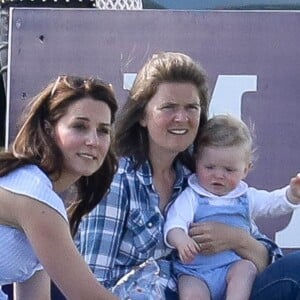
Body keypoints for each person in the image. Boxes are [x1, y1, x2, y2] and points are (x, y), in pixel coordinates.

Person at [76, 51, 290, 299]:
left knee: (294, 270)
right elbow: (91, 282)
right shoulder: (117, 179)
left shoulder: (200, 175)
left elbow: (269, 260)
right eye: (168, 107)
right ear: (143, 115)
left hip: (219, 287)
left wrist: (237, 240)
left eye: (192, 107)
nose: (182, 118)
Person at [0, 75, 119, 300]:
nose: (93, 140)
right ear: (48, 129)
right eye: (79, 126)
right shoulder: (35, 198)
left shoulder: (41, 199)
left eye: (103, 130)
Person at [164, 114, 300, 300]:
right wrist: (181, 240)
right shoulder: (192, 196)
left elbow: (272, 204)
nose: (218, 175)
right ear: (197, 162)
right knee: (191, 292)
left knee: (246, 268)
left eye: (229, 170)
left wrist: (292, 195)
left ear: (246, 169)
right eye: (210, 167)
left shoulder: (245, 197)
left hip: (232, 268)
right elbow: (174, 222)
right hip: (195, 271)